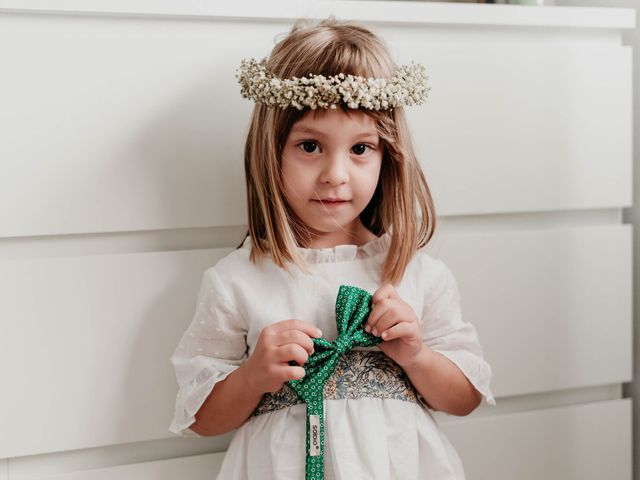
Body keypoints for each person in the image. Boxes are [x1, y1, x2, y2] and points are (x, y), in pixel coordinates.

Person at [169, 16, 496, 479]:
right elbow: (200, 418)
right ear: (271, 152)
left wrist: (417, 356)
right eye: (309, 146)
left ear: (389, 156)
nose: (335, 174)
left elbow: (465, 398)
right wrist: (253, 376)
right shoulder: (239, 279)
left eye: (360, 149)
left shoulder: (415, 275)